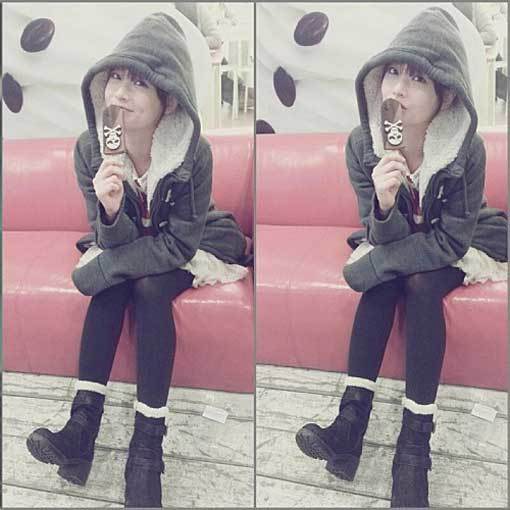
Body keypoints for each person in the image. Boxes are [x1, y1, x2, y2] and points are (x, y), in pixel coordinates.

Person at [25, 12, 249, 508]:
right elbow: (114, 241)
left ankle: (146, 451)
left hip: (189, 241)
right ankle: (81, 431)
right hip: (131, 244)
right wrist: (110, 210)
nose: (121, 94)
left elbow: (178, 245)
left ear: (169, 98)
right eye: (116, 78)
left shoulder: (193, 152)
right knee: (113, 286)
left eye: (140, 83)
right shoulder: (90, 150)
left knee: (146, 287)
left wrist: (106, 267)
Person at [295, 7, 507, 508]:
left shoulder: (466, 149)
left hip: (462, 237)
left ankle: (414, 451)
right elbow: (380, 234)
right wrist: (385, 203)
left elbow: (450, 242)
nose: (399, 88)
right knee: (388, 279)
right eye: (393, 72)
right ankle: (349, 427)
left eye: (417, 78)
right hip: (403, 241)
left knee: (419, 282)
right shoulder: (362, 145)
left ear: (445, 94)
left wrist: (373, 263)